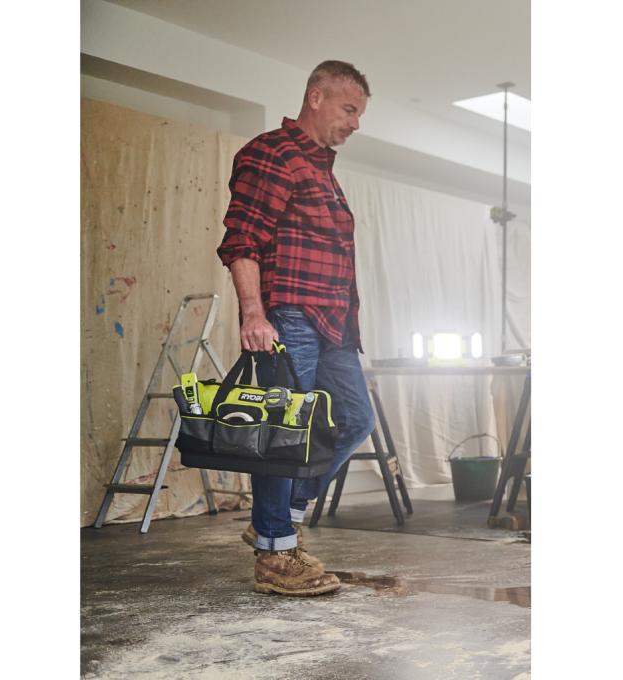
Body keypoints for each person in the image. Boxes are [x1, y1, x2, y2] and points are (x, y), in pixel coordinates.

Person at [217, 60, 375, 597]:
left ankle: (279, 517)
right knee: (283, 436)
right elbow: (242, 238)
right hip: (289, 318)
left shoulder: (323, 171)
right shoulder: (273, 153)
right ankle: (275, 554)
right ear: (316, 97)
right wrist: (253, 312)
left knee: (354, 419)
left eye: (359, 114)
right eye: (349, 109)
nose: (355, 123)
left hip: (335, 325)